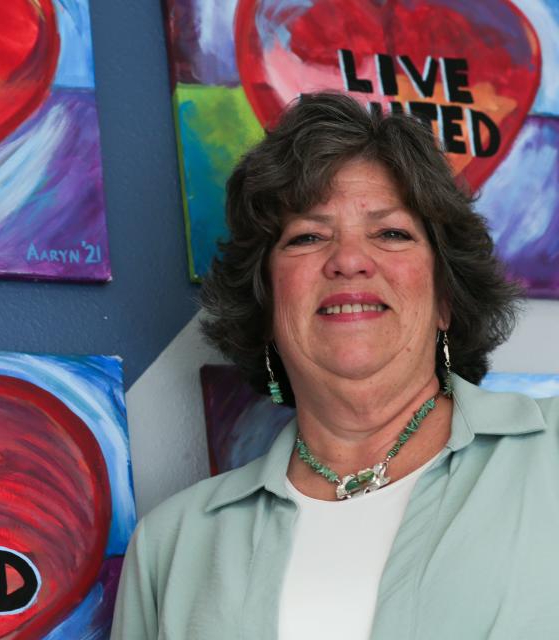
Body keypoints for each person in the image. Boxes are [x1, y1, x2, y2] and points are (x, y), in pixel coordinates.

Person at [109, 92, 559, 639]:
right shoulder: (173, 547)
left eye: (391, 233)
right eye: (308, 237)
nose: (348, 260)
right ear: (268, 304)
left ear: (446, 298)